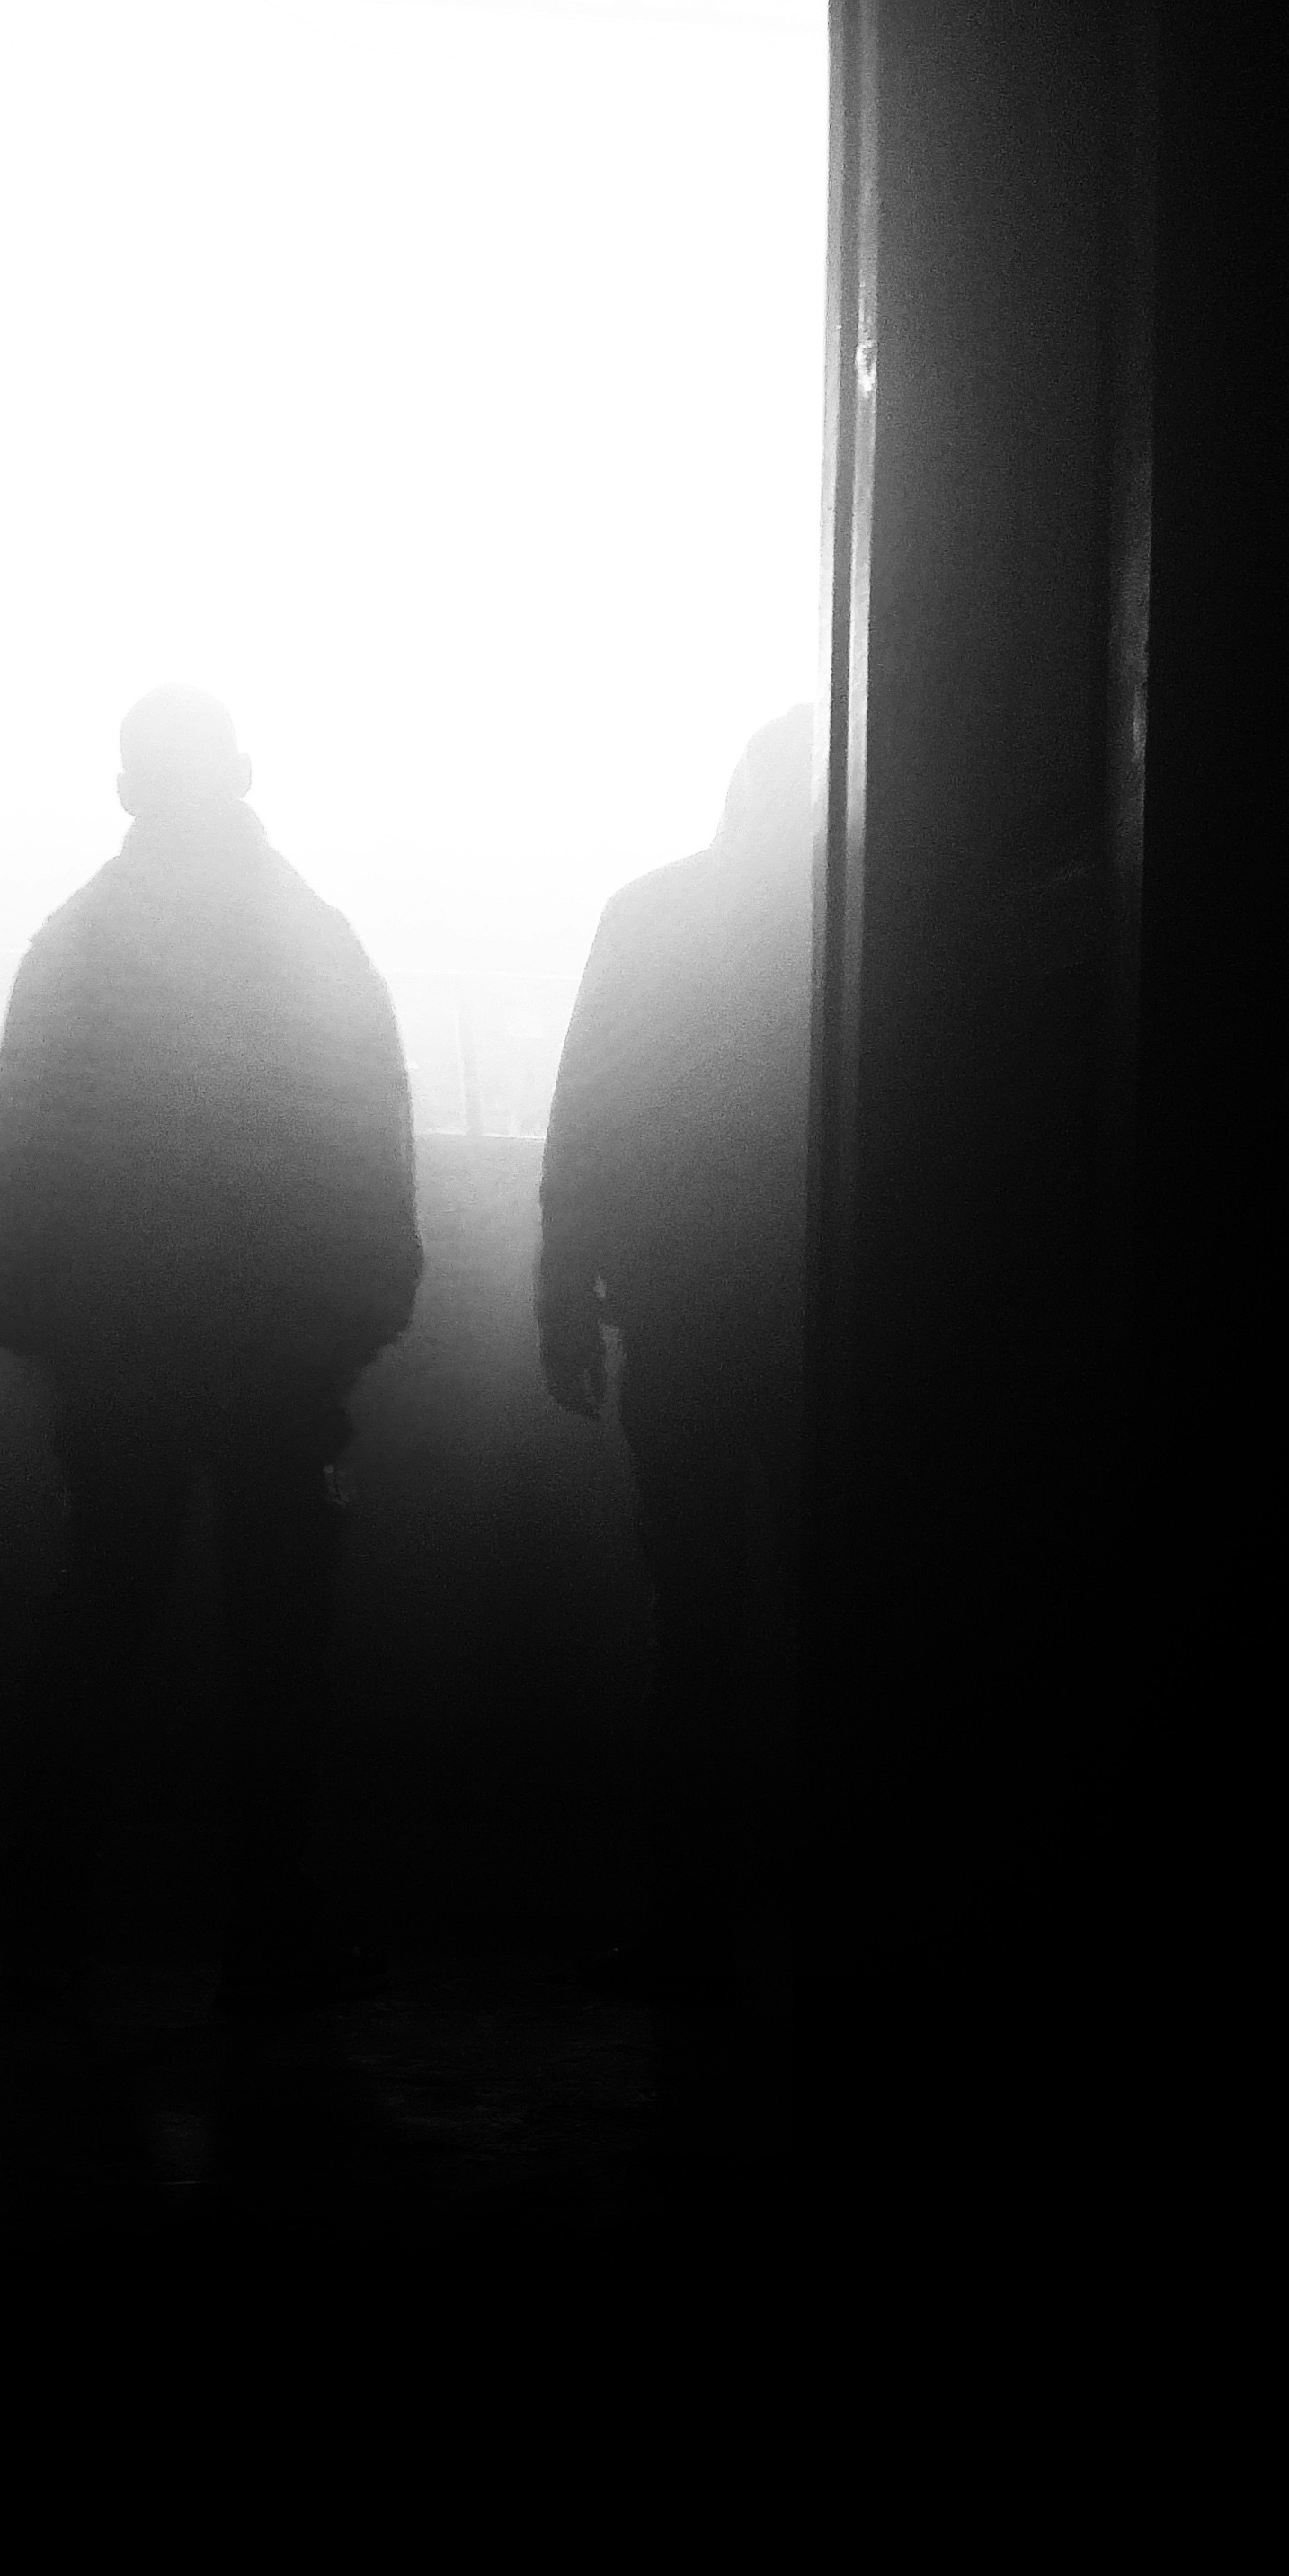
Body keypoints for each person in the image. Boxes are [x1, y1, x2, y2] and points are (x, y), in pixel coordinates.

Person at [0, 685, 423, 2017]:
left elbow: (27, 1134)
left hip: (120, 1342)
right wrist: (367, 1302)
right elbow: (365, 1133)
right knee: (281, 1639)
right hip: (282, 1344)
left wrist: (20, 1293)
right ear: (241, 773)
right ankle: (268, 1930)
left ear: (126, 787)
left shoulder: (80, 941)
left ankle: (47, 1928)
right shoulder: (314, 941)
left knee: (99, 1622)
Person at [536, 705, 815, 2038]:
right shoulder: (857, 933)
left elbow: (585, 1104)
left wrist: (558, 1289)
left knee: (692, 1628)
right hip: (826, 1325)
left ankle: (686, 1926)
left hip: (682, 1317)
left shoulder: (646, 916)